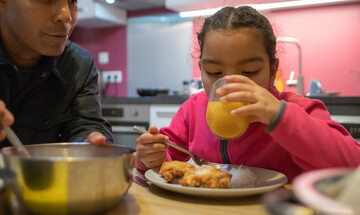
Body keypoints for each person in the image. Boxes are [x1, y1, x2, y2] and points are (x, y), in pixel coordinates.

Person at [135, 6, 360, 182]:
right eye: (214, 72)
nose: (229, 86)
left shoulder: (298, 110)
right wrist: (151, 157)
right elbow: (168, 157)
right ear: (201, 69)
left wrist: (279, 116)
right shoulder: (193, 110)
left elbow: (353, 166)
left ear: (272, 71)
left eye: (249, 72)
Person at [0, 0, 112, 148]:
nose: (67, 16)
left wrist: (87, 145)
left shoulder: (77, 64)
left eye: (72, 1)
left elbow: (87, 126)